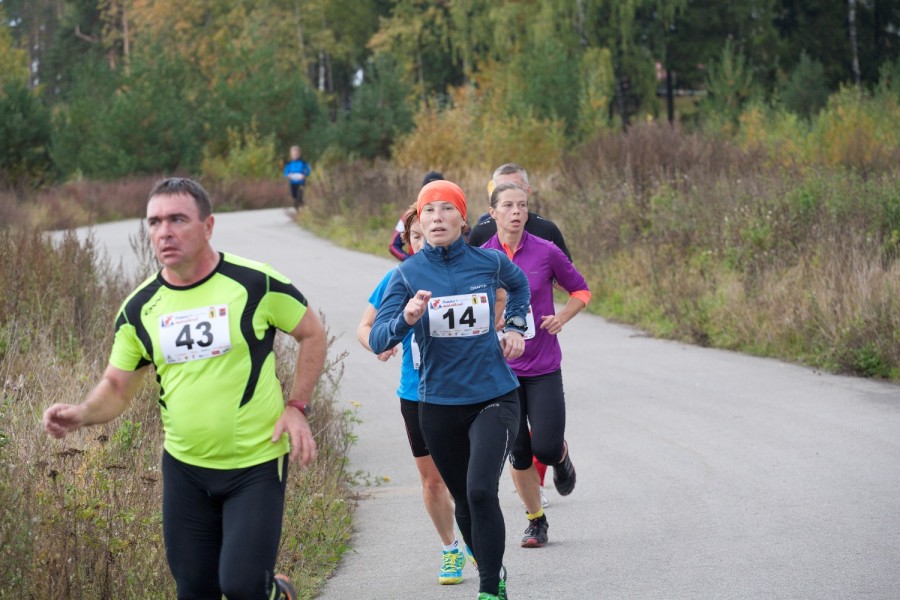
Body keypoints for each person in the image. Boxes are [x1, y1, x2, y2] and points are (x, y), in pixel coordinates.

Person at [42, 177, 327, 600]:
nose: (165, 232)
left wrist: (296, 405)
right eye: (155, 222)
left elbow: (312, 333)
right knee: (195, 590)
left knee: (243, 586)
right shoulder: (139, 309)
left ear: (208, 225)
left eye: (178, 219)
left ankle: (277, 592)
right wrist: (82, 414)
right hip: (186, 469)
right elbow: (118, 387)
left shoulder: (254, 284)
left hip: (256, 463)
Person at [369, 180, 530, 600]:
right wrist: (406, 317)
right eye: (428, 212)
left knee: (481, 489)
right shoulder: (405, 275)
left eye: (446, 210)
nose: (437, 218)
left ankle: (490, 589)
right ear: (418, 220)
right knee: (463, 499)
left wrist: (513, 325)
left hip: (494, 395)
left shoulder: (489, 262)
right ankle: (494, 570)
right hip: (437, 405)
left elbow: (520, 286)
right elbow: (378, 339)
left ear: (463, 218)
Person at [358, 204, 472, 585]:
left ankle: (474, 530)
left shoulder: (465, 272)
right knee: (433, 481)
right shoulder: (398, 279)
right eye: (415, 237)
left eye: (428, 233)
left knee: (469, 478)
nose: (424, 242)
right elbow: (366, 327)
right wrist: (381, 345)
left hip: (465, 390)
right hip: (417, 391)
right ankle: (451, 548)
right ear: (408, 242)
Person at [481, 182, 590, 549]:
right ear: (492, 212)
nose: (516, 212)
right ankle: (536, 522)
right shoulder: (480, 257)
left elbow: (581, 289)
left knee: (543, 447)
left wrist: (563, 317)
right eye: (508, 205)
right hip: (501, 373)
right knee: (519, 450)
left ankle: (560, 456)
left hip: (542, 365)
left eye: (522, 206)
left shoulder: (546, 251)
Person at [467, 163, 572, 261]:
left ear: (528, 191)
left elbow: (569, 277)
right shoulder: (480, 233)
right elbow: (468, 276)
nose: (510, 193)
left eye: (516, 187)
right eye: (502, 189)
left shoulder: (547, 230)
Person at [389, 171, 444, 260]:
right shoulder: (410, 215)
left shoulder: (454, 216)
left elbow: (468, 242)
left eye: (438, 190)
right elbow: (394, 245)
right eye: (429, 190)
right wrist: (410, 260)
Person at [284, 145, 311, 210]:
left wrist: (304, 175)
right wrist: (288, 175)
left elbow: (308, 170)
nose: (295, 155)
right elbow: (286, 172)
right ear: (291, 154)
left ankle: (299, 207)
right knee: (294, 196)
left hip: (301, 182)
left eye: (296, 154)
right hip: (293, 182)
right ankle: (299, 207)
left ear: (299, 154)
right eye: (293, 154)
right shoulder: (289, 164)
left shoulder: (303, 163)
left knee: (300, 194)